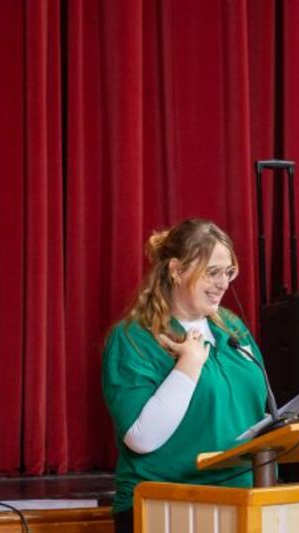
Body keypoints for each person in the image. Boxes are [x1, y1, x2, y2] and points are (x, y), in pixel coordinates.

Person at [102, 219, 268, 533]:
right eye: (212, 272)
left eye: (229, 272)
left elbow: (256, 409)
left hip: (242, 499)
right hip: (165, 505)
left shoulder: (231, 327)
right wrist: (188, 365)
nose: (223, 284)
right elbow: (141, 438)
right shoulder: (134, 338)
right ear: (176, 270)